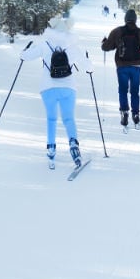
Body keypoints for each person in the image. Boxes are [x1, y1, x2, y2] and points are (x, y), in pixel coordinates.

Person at [20, 14, 92, 169]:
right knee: (68, 118)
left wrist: (25, 50)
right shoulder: (72, 46)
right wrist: (88, 61)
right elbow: (88, 67)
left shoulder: (45, 44)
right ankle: (74, 146)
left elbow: (25, 56)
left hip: (47, 88)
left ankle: (51, 149)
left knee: (51, 119)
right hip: (68, 88)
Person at [101, 8, 140, 127]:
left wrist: (104, 42)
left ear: (125, 19)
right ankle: (135, 114)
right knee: (135, 91)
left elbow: (106, 47)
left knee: (122, 90)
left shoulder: (117, 31)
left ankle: (124, 112)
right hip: (137, 66)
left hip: (122, 65)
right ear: (135, 20)